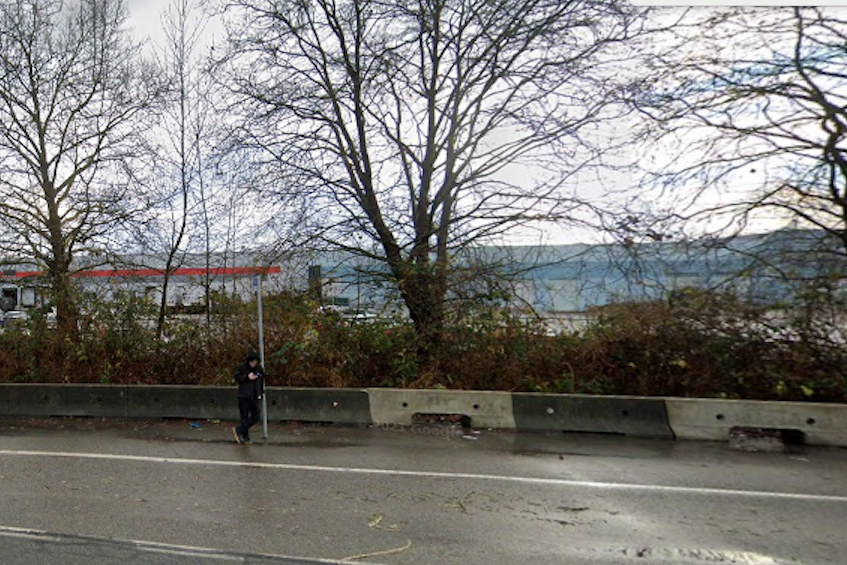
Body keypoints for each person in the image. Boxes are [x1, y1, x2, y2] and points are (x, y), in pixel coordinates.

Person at [232, 351, 264, 444]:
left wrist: (259, 393)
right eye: (252, 362)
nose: (253, 364)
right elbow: (237, 378)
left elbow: (260, 381)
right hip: (243, 395)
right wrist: (247, 377)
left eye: (255, 363)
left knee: (256, 415)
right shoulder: (242, 367)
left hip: (254, 396)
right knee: (244, 417)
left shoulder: (259, 369)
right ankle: (245, 437)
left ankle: (239, 429)